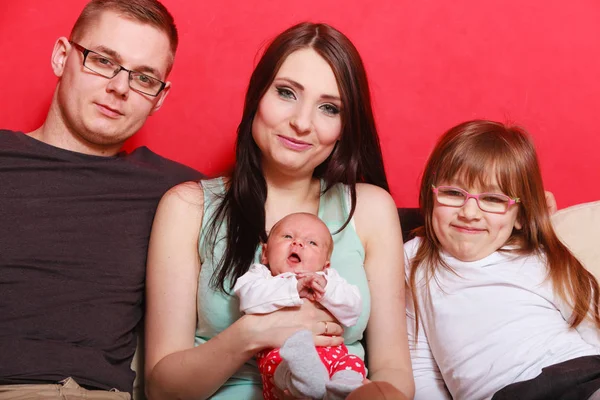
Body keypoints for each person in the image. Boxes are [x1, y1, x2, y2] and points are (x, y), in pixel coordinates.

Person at [145, 22, 413, 400]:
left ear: (344, 126)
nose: (302, 123)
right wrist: (253, 333)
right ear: (258, 95)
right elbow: (162, 388)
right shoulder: (187, 208)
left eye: (328, 108)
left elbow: (394, 371)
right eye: (286, 93)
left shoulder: (368, 209)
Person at [0, 1, 202, 398]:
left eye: (144, 78)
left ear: (159, 98)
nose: (120, 87)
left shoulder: (181, 194)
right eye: (103, 60)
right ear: (62, 57)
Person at [405, 120, 600, 400]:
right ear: (431, 195)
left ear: (519, 215)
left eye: (494, 199)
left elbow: (590, 321)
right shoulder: (415, 262)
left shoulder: (538, 256)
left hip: (578, 373)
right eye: (453, 193)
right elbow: (420, 364)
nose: (469, 212)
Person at [234, 212, 365, 400]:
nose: (298, 243)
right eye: (288, 236)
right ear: (265, 253)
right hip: (284, 360)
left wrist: (326, 291)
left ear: (326, 265)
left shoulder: (329, 280)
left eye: (312, 242)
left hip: (334, 358)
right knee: (285, 367)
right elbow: (249, 301)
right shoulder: (260, 277)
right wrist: (294, 288)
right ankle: (308, 386)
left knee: (353, 363)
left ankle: (340, 389)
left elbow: (353, 311)